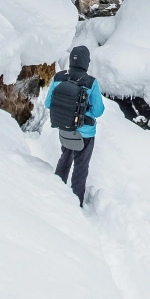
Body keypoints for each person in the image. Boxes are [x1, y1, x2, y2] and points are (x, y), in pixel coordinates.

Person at [45, 45, 104, 206]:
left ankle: (56, 190)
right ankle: (75, 204)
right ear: (86, 62)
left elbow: (48, 103)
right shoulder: (90, 82)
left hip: (64, 128)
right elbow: (99, 111)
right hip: (85, 134)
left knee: (65, 158)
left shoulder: (58, 78)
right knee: (81, 167)